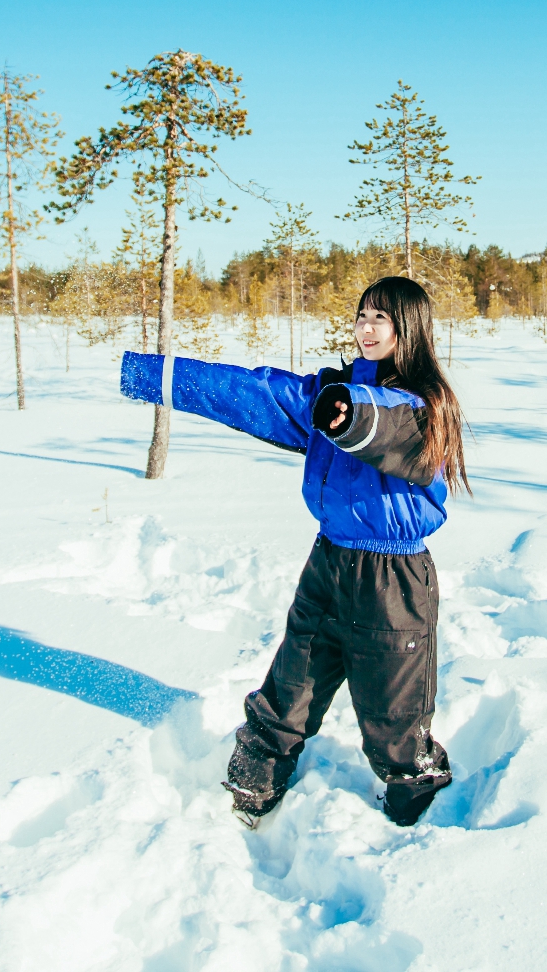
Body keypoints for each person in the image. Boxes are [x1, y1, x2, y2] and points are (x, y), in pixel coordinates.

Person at [118, 276, 468, 826]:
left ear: (411, 327)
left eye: (381, 318)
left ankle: (418, 809)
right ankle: (249, 789)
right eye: (361, 316)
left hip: (393, 580)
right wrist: (152, 376)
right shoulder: (331, 391)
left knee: (393, 717)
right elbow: (253, 392)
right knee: (291, 683)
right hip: (328, 563)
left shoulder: (426, 407)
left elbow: (387, 425)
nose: (366, 328)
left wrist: (348, 414)